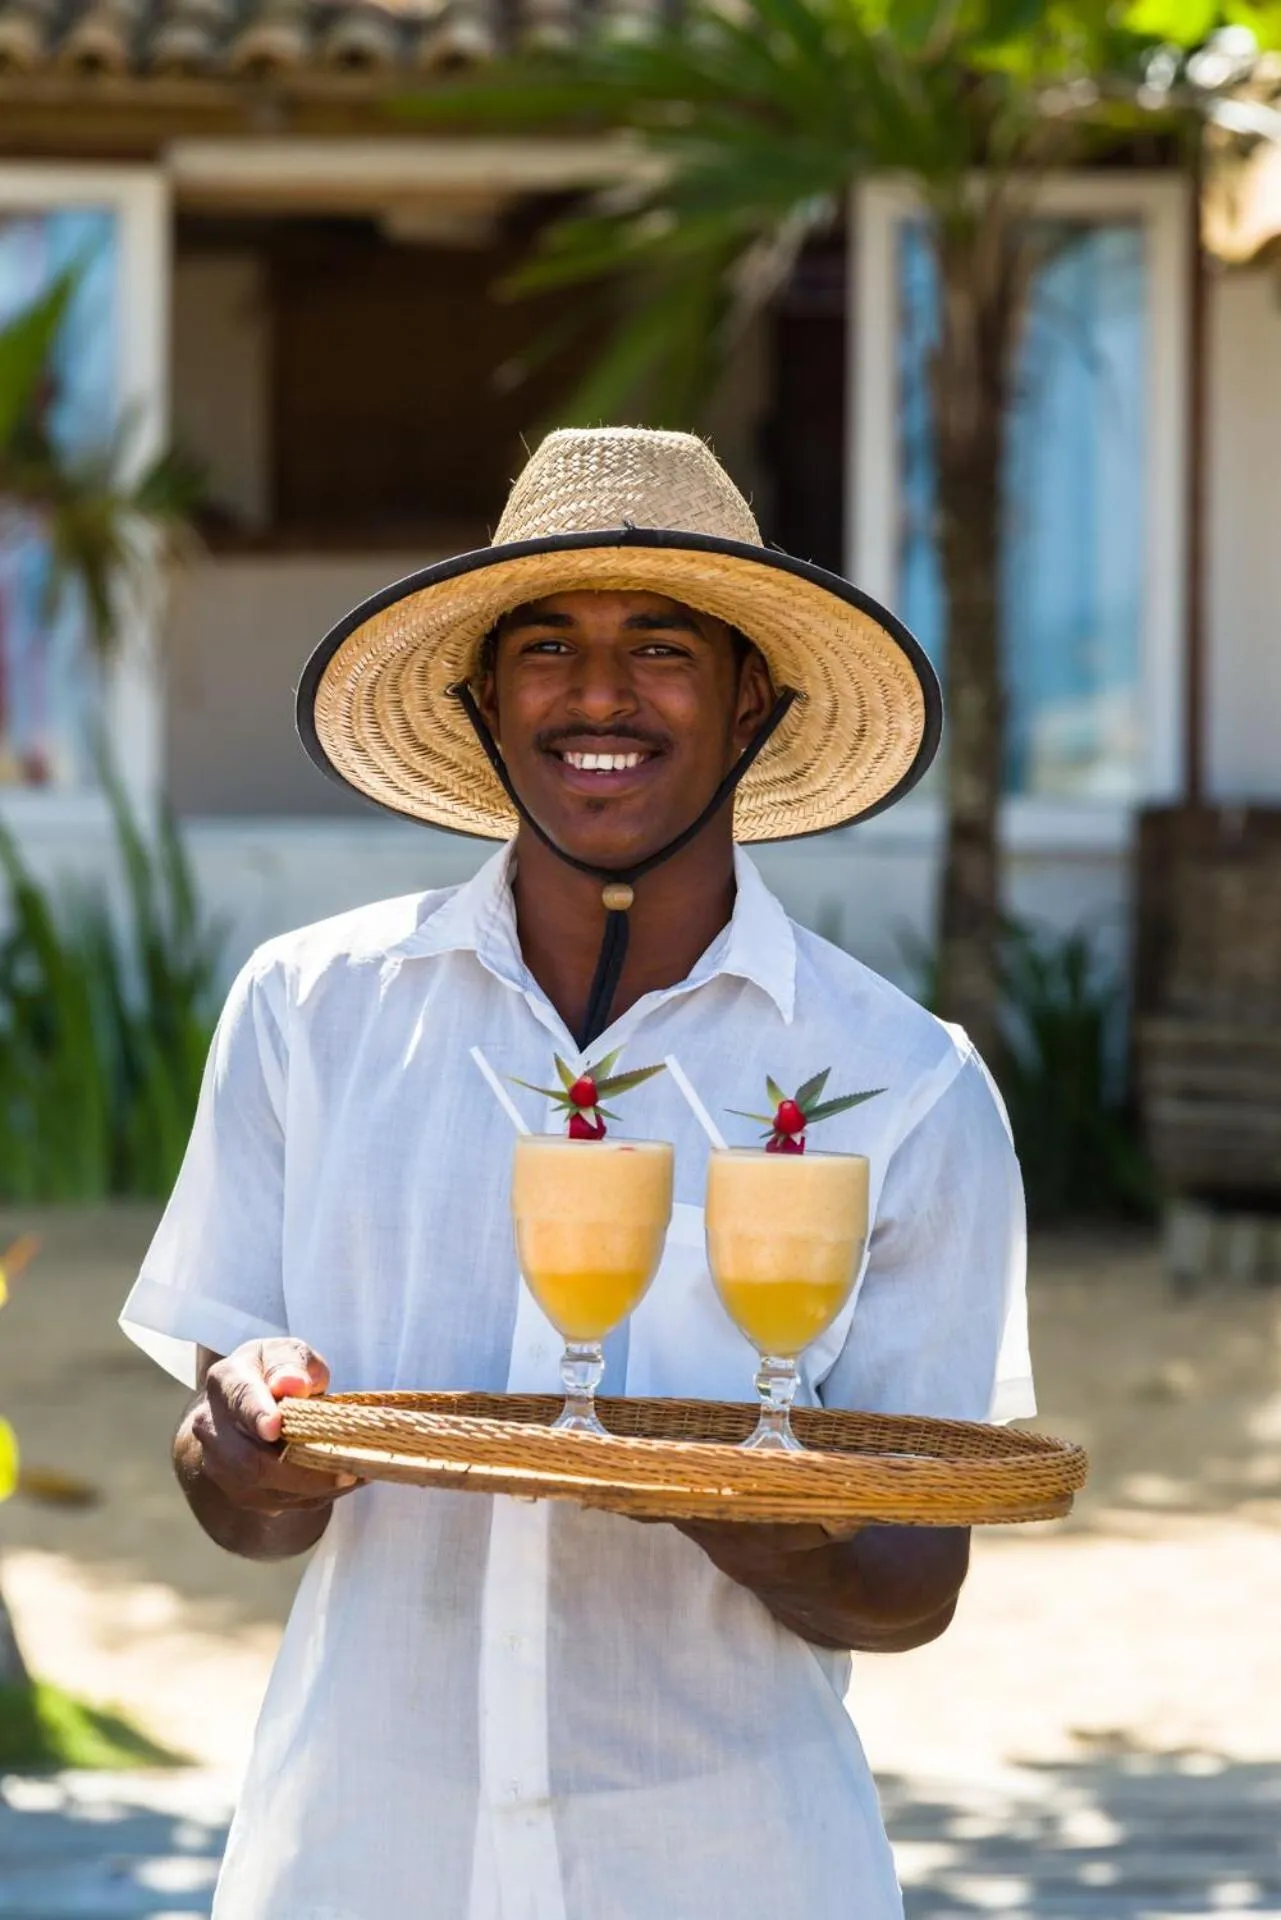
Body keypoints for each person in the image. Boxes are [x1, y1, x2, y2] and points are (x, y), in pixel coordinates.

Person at [120, 427, 1033, 1920]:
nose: (599, 692)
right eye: (546, 646)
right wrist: (244, 1446)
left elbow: (912, 1586)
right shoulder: (311, 1014)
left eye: (661, 647)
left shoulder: (904, 1084)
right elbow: (249, 1508)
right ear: (484, 702)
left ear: (752, 700)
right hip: (359, 1854)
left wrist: (730, 1500)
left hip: (727, 1868)